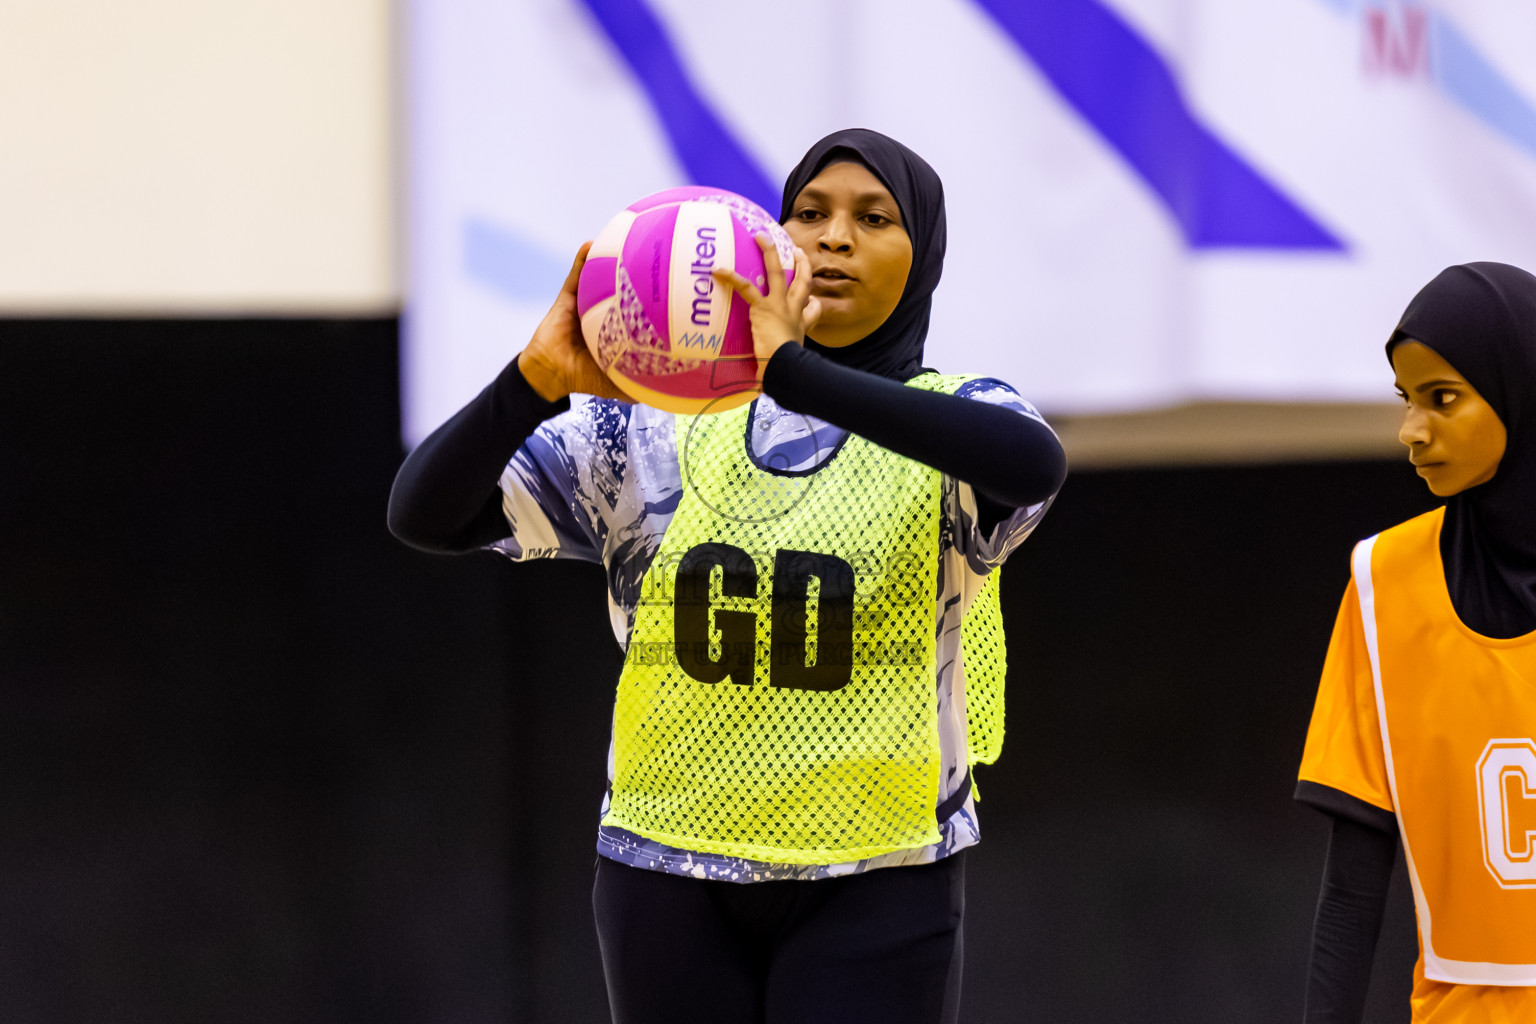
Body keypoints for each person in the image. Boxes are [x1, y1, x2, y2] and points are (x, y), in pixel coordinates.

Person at [389, 128, 1066, 1024]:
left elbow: (1035, 464)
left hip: (880, 873)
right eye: (811, 213)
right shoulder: (658, 429)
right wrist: (532, 380)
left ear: (924, 256)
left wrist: (794, 373)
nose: (834, 237)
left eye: (874, 219)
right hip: (664, 868)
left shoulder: (961, 419)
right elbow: (425, 514)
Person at [1296, 262, 1536, 1024]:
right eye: (1407, 399)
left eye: (1443, 398)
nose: (1411, 430)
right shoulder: (1383, 584)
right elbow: (1351, 890)